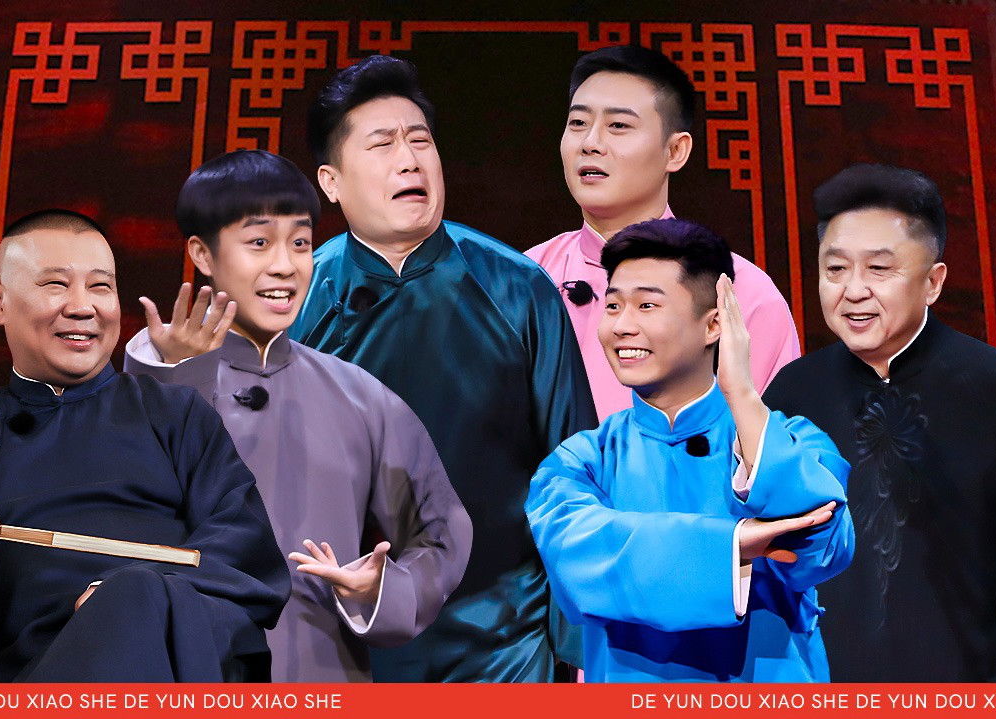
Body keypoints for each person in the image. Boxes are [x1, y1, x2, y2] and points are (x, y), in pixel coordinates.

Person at [0, 210, 291, 682]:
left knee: (135, 598)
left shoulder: (175, 413)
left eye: (100, 287)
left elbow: (244, 547)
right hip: (41, 673)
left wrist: (131, 603)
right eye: (56, 285)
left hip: (178, 657)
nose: (82, 307)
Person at [291, 55, 597, 681]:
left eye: (420, 141)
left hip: (504, 644)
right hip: (347, 639)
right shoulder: (296, 301)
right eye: (382, 144)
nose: (409, 160)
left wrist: (574, 646)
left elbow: (572, 463)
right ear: (331, 181)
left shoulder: (518, 289)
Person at [123, 149, 472, 682]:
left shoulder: (361, 397)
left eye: (301, 243)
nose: (285, 265)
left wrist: (382, 589)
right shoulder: (149, 384)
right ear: (202, 253)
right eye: (259, 242)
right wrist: (179, 377)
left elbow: (442, 529)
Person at [762, 163, 996, 681]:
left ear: (933, 282)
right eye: (835, 269)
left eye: (879, 269)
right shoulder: (792, 393)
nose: (853, 290)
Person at [526, 218, 853, 682]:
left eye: (646, 305)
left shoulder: (795, 440)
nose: (622, 326)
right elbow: (578, 563)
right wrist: (733, 545)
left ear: (714, 324)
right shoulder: (579, 462)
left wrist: (741, 393)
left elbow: (824, 546)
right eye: (613, 305)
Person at [526, 44, 798, 422]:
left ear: (675, 151)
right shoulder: (525, 278)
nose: (590, 143)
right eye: (578, 123)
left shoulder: (739, 292)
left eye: (618, 126)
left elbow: (773, 444)